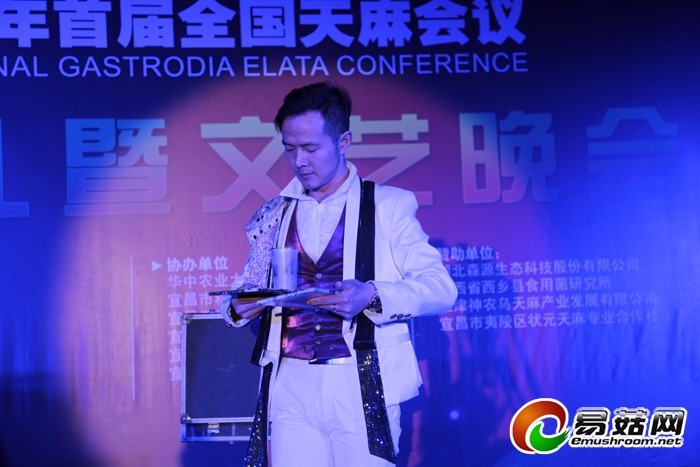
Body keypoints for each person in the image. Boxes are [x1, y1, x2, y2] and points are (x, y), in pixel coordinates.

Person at [221, 82, 456, 467]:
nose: (299, 161)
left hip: (362, 381)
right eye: (289, 148)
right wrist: (240, 305)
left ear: (343, 141)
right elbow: (243, 289)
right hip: (291, 383)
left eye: (311, 148)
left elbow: (440, 288)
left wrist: (371, 295)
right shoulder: (274, 214)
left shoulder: (388, 205)